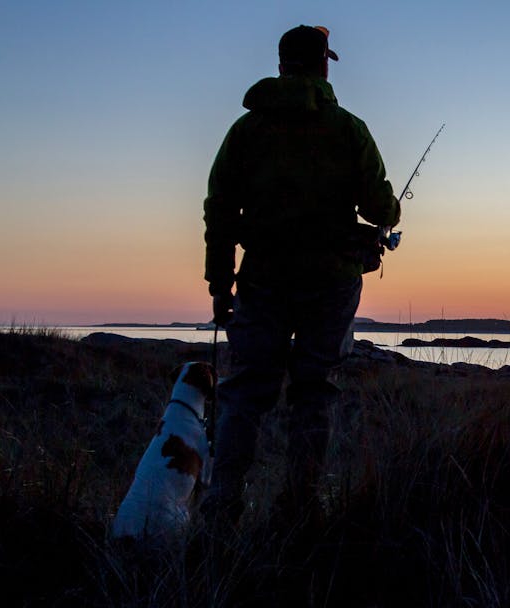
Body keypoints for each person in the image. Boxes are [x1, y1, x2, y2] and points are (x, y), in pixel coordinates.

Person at [200, 25, 400, 526]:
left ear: (281, 64)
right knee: (315, 392)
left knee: (244, 392)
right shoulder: (349, 130)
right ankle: (300, 510)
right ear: (324, 65)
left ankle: (222, 508)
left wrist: (221, 286)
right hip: (331, 285)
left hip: (261, 280)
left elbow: (219, 213)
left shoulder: (245, 132)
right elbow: (383, 208)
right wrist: (390, 211)